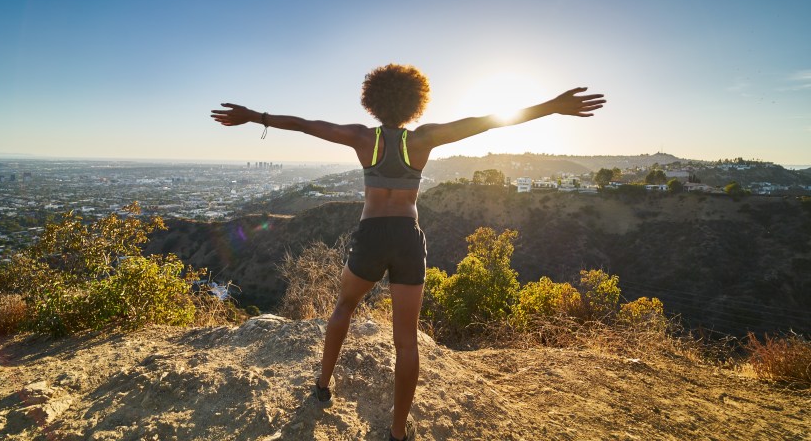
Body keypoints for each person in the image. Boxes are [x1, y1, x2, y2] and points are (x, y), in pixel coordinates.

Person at [211, 64, 605, 441]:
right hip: (407, 237)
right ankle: (398, 432)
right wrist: (551, 106)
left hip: (371, 234)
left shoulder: (363, 137)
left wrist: (254, 116)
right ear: (416, 101)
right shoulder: (423, 138)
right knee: (406, 340)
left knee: (343, 308)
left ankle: (321, 386)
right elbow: (489, 120)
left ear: (373, 100)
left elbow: (304, 125)